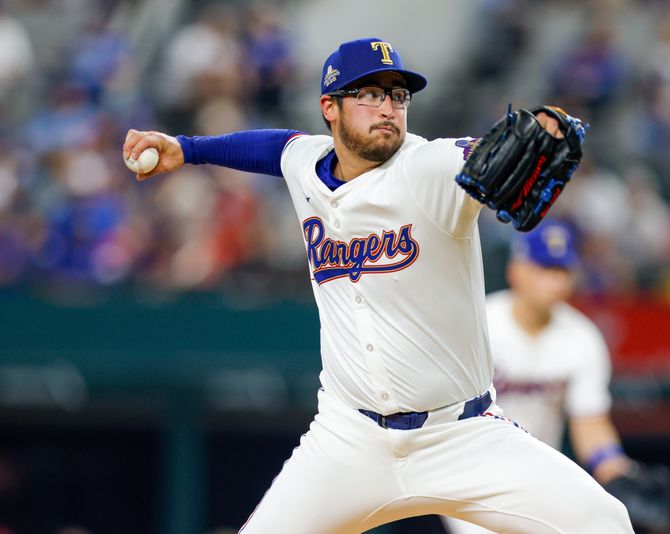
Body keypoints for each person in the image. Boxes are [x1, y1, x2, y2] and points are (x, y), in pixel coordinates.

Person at [124, 37, 633, 533]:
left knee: (603, 521)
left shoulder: (428, 167)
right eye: (369, 93)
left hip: (461, 435)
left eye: (398, 95)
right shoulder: (307, 165)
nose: (388, 107)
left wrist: (549, 129)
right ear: (331, 107)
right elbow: (274, 147)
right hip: (348, 440)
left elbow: (471, 155)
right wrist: (185, 149)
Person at [444, 219, 670, 534]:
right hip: (470, 472)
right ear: (517, 270)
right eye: (544, 268)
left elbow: (589, 423)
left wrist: (617, 472)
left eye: (562, 271)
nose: (554, 281)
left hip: (537, 477)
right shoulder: (479, 323)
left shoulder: (582, 338)